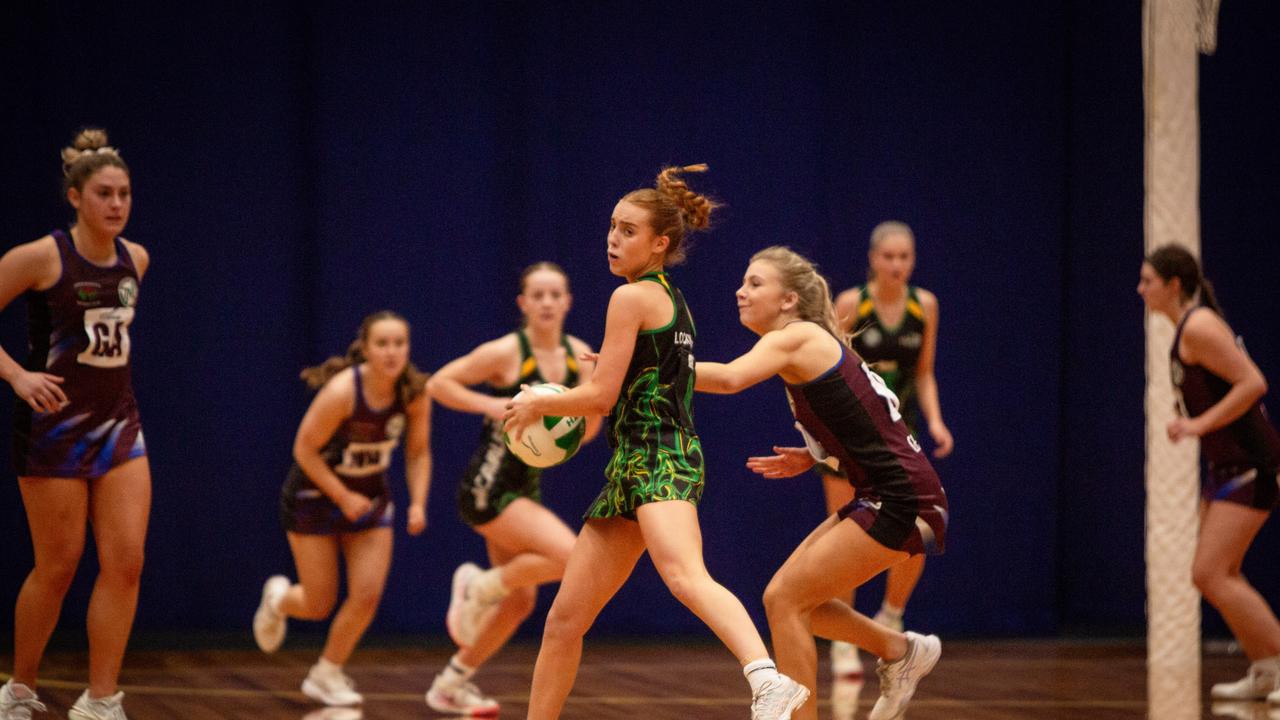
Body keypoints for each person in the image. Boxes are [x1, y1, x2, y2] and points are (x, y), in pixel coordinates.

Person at [503, 166, 808, 720]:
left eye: (628, 231)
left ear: (659, 243)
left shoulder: (632, 298)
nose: (613, 240)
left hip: (659, 457)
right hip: (636, 460)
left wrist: (538, 402)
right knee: (565, 621)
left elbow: (598, 399)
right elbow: (652, 377)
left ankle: (768, 681)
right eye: (612, 228)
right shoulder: (669, 298)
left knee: (685, 577)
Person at [696, 246, 947, 720]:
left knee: (788, 601)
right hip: (892, 491)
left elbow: (729, 379)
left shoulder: (796, 336)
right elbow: (864, 416)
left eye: (755, 283)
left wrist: (643, 370)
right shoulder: (803, 344)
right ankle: (900, 650)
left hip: (902, 497)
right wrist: (815, 455)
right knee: (785, 600)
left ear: (789, 299)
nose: (740, 291)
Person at [0, 128, 150, 720]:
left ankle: (101, 699)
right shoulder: (41, 256)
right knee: (58, 565)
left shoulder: (136, 259)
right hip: (54, 431)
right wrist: (17, 376)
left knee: (127, 561)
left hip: (120, 427)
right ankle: (19, 689)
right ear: (75, 197)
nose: (116, 204)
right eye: (104, 193)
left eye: (125, 194)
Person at [425, 262, 600, 716]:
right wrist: (492, 404)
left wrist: (575, 426)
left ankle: (451, 683)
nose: (546, 302)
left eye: (554, 294)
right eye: (536, 295)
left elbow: (593, 419)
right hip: (489, 486)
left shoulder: (577, 354)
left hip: (525, 486)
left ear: (567, 302)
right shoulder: (505, 352)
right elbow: (438, 383)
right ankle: (478, 586)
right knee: (570, 556)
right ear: (523, 304)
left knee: (520, 601)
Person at [252, 311, 432, 708]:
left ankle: (326, 672)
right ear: (365, 348)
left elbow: (418, 453)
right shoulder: (342, 391)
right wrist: (342, 497)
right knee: (318, 604)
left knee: (367, 595)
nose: (391, 352)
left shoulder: (415, 393)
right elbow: (304, 450)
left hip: (370, 497)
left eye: (399, 343)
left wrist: (417, 502)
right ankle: (279, 600)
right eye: (382, 344)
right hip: (314, 497)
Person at [1138, 245, 1280, 704]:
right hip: (1226, 467)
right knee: (1220, 572)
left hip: (1253, 464)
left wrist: (1197, 425)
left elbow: (1254, 382)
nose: (1140, 289)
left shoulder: (1198, 326)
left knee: (1210, 573)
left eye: (1148, 281)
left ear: (1173, 284)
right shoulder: (1185, 331)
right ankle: (1266, 669)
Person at [827, 221, 952, 676]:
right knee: (844, 537)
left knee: (915, 536)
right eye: (888, 257)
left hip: (902, 436)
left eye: (905, 257)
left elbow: (924, 372)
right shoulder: (851, 303)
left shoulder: (925, 306)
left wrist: (936, 422)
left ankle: (890, 618)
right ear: (873, 259)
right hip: (854, 436)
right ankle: (844, 641)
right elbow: (836, 374)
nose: (896, 265)